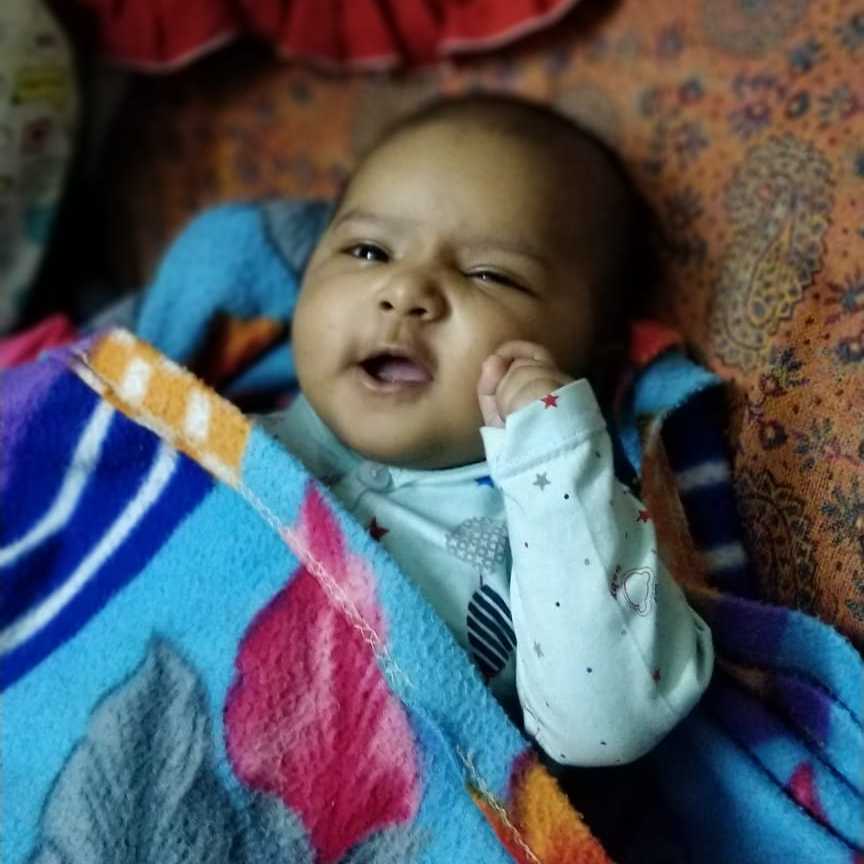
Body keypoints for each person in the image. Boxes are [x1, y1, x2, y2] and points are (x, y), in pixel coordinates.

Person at [259, 93, 713, 767]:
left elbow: (606, 729)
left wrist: (556, 456)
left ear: (592, 360)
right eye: (368, 250)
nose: (408, 291)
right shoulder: (198, 436)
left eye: (489, 274)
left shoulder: (553, 534)